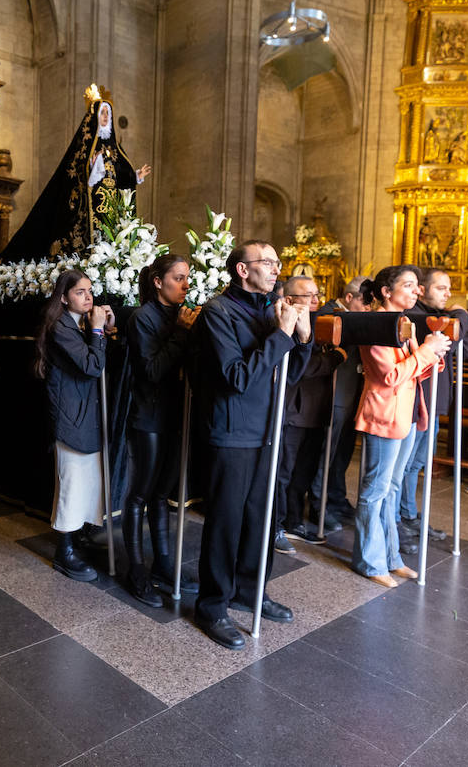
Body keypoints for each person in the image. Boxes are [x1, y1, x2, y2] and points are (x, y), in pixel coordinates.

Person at [191, 240, 311, 650]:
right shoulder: (217, 313)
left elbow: (288, 376)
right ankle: (212, 606)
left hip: (268, 429)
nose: (277, 269)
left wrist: (304, 338)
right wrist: (282, 335)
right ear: (243, 270)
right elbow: (237, 378)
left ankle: (249, 590)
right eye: (268, 262)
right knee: (226, 520)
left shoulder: (270, 310)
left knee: (262, 518)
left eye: (278, 262)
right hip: (233, 431)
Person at [351, 266, 448, 588]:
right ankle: (369, 560)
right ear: (385, 292)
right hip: (382, 413)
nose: (416, 291)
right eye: (408, 285)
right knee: (375, 490)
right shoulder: (376, 323)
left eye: (417, 286)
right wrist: (425, 352)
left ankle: (391, 557)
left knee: (391, 489)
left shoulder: (404, 322)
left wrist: (434, 353)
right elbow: (389, 376)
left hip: (406, 413)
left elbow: (409, 371)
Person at [122, 254, 199, 606]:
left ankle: (164, 565)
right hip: (149, 416)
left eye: (187, 278)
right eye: (179, 278)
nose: (185, 284)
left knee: (162, 494)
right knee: (141, 493)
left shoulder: (181, 317)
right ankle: (136, 571)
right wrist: (182, 334)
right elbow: (151, 371)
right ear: (158, 282)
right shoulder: (143, 318)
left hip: (175, 415)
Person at [0, 87, 151, 262]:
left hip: (110, 209)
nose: (106, 117)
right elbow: (74, 175)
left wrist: (135, 177)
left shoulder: (115, 148)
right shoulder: (84, 146)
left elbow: (122, 177)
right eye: (102, 113)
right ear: (94, 116)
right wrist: (93, 169)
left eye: (108, 113)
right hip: (89, 209)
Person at [34, 269, 113, 582]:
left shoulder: (76, 323)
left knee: (87, 479)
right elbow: (92, 366)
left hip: (84, 413)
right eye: (80, 292)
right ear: (64, 297)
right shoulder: (61, 327)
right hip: (70, 414)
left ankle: (78, 536)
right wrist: (96, 333)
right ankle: (63, 551)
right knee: (71, 481)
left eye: (90, 291)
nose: (89, 297)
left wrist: (103, 330)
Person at [397, 268, 468, 548]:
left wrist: (459, 321)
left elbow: (467, 348)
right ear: (422, 289)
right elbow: (450, 330)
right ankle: (397, 519)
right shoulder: (416, 316)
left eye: (448, 288)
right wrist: (461, 315)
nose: (448, 294)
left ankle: (408, 514)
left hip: (436, 400)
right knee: (404, 464)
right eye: (440, 288)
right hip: (417, 400)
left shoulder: (445, 319)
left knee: (418, 463)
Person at [277, 276, 346, 547]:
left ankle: (294, 521)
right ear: (291, 299)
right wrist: (335, 358)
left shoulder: (324, 325)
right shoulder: (286, 323)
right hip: (293, 411)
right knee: (283, 472)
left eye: (317, 293)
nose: (316, 299)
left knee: (303, 473)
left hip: (317, 412)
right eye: (309, 295)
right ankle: (276, 527)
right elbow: (302, 366)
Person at [309, 276, 370, 526]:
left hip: (351, 391)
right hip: (332, 392)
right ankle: (318, 505)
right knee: (326, 451)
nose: (368, 310)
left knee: (343, 452)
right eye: (365, 304)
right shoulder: (327, 315)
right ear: (349, 298)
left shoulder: (356, 315)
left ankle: (336, 497)